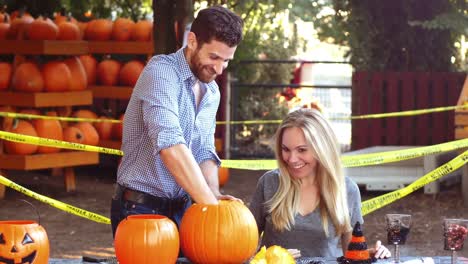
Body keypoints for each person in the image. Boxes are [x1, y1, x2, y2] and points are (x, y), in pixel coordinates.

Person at [110, 6, 244, 236]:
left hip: (185, 209)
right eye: (214, 57)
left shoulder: (211, 91)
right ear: (192, 41)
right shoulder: (161, 74)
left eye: (226, 60)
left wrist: (213, 193)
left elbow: (203, 150)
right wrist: (212, 208)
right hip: (141, 209)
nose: (219, 69)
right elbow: (170, 146)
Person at [249, 108, 390, 259]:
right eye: (285, 149)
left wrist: (370, 254)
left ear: (322, 149)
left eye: (302, 150)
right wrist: (272, 258)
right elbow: (243, 246)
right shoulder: (269, 183)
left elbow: (351, 254)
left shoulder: (347, 190)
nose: (291, 159)